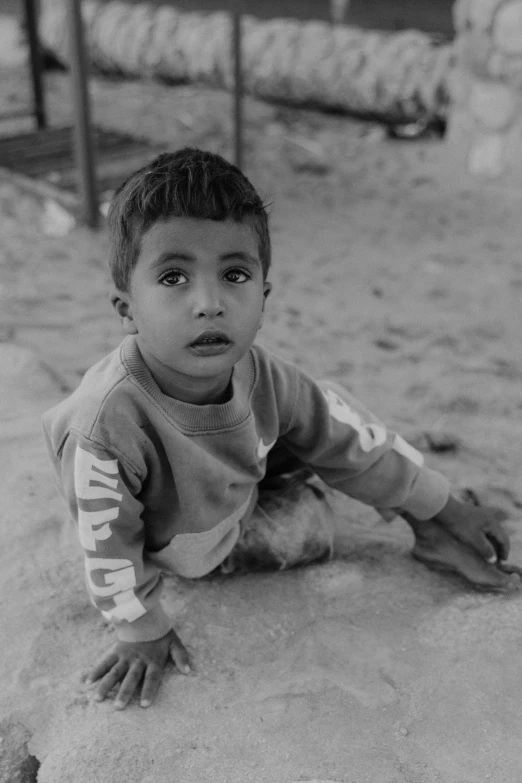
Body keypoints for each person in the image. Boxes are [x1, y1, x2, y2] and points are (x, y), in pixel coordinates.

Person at [42, 147, 520, 712]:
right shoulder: (107, 424)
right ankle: (293, 500)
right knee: (310, 529)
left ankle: (430, 529)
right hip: (190, 539)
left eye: (235, 274)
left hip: (237, 472)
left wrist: (440, 507)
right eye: (173, 277)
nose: (210, 303)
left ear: (263, 298)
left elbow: (347, 435)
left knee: (324, 415)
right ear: (127, 308)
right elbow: (105, 538)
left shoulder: (261, 373)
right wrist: (140, 627)